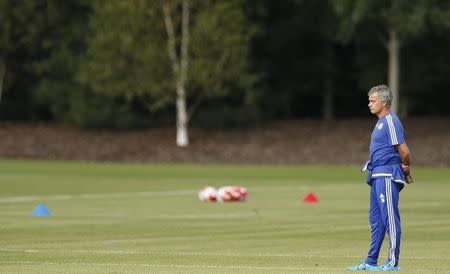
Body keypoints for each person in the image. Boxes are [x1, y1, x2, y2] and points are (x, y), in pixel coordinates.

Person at [347, 85, 413, 271]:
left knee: (390, 218)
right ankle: (370, 261)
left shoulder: (391, 121)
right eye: (369, 100)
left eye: (372, 101)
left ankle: (393, 262)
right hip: (376, 175)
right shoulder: (380, 122)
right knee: (376, 220)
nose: (369, 104)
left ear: (384, 102)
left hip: (386, 175)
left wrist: (406, 169)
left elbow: (404, 151)